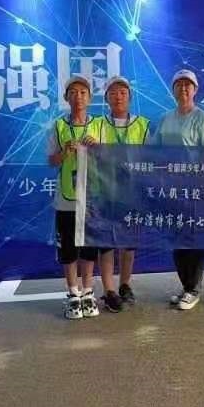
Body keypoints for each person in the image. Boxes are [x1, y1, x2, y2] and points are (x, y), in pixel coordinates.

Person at [152, 69, 204, 310]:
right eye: (179, 85)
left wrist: (203, 183)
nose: (184, 89)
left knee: (195, 238)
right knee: (177, 238)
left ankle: (194, 289)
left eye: (188, 85)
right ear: (173, 90)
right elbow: (154, 151)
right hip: (171, 189)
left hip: (195, 189)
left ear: (195, 90)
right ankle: (186, 286)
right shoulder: (165, 119)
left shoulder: (202, 118)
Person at [48, 75, 103, 320]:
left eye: (83, 92)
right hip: (66, 199)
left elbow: (111, 159)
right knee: (68, 248)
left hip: (92, 197)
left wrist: (98, 148)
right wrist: (63, 152)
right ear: (66, 98)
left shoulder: (100, 125)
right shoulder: (59, 126)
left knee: (89, 247)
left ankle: (88, 291)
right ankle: (73, 293)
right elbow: (51, 161)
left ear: (90, 98)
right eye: (73, 93)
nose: (78, 97)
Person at [95, 75, 150, 312]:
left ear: (130, 97)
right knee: (106, 242)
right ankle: (109, 289)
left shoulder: (143, 125)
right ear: (106, 98)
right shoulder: (97, 124)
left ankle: (125, 284)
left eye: (123, 93)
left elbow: (151, 157)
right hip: (105, 191)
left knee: (129, 242)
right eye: (113, 93)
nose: (118, 97)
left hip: (132, 193)